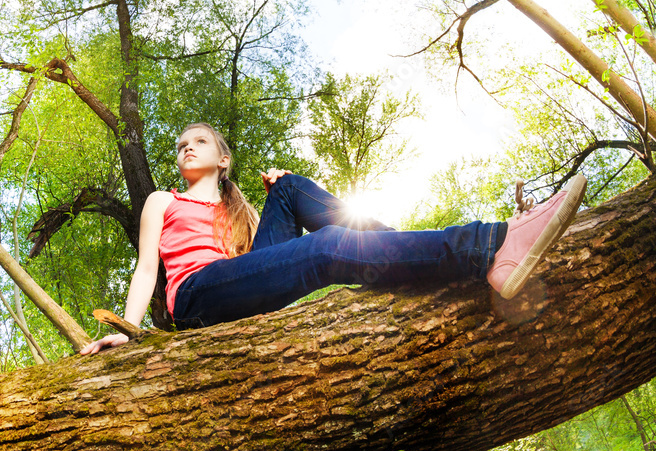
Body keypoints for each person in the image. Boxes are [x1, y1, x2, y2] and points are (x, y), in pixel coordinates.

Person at [80, 123, 587, 354]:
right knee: (327, 247)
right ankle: (488, 246)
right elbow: (148, 268)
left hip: (237, 288)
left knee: (291, 186)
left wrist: (276, 198)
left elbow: (262, 265)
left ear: (223, 157)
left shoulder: (242, 212)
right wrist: (128, 329)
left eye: (200, 141)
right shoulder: (161, 202)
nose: (187, 148)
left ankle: (407, 248)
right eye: (182, 146)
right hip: (196, 298)